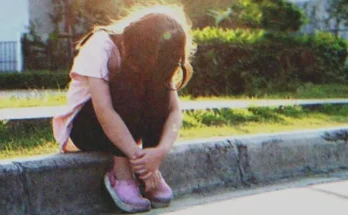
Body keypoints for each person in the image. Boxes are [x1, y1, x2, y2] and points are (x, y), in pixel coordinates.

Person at [52, 4, 195, 213]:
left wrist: (159, 152)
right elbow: (104, 111)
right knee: (127, 81)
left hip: (125, 130)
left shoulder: (156, 55)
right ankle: (122, 174)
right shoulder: (101, 45)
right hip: (84, 128)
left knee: (159, 87)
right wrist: (137, 159)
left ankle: (146, 170)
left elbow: (173, 111)